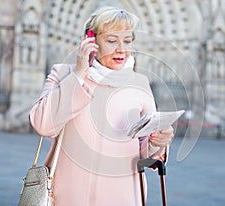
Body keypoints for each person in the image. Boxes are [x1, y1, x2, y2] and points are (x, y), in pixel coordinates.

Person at [29, 6, 174, 206]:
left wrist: (158, 141)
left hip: (122, 195)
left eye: (128, 40)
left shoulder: (139, 83)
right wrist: (79, 74)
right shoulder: (63, 74)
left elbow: (144, 151)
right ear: (91, 41)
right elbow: (43, 124)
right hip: (67, 195)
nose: (122, 49)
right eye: (112, 40)